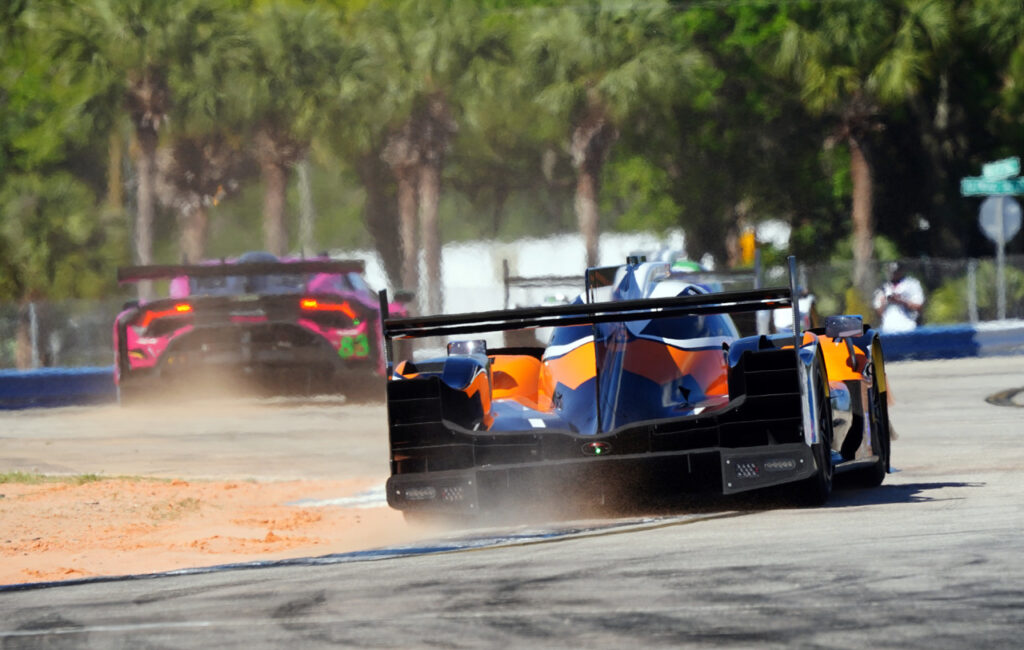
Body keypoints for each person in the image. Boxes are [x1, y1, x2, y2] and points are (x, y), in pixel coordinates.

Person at [873, 262, 925, 332]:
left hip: (908, 327)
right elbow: (879, 312)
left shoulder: (911, 284)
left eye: (895, 272)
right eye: (890, 271)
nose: (892, 274)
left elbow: (919, 306)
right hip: (888, 328)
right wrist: (885, 300)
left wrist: (900, 301)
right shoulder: (883, 287)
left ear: (901, 271)